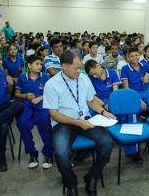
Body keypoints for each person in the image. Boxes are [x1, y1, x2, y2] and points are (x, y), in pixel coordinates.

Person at [43, 50, 114, 196]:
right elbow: (54, 115)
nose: (79, 71)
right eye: (76, 68)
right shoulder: (51, 84)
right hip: (63, 123)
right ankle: (70, 183)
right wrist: (77, 122)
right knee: (61, 153)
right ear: (64, 66)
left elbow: (91, 101)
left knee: (107, 142)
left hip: (85, 120)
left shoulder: (83, 79)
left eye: (80, 67)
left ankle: (92, 176)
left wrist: (104, 113)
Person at [15, 54, 53, 169]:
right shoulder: (22, 77)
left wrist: (40, 98)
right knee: (22, 123)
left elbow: (51, 93)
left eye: (41, 64)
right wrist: (25, 95)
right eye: (37, 64)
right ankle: (32, 153)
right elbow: (16, 94)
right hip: (27, 104)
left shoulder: (45, 76)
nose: (40, 66)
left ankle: (48, 154)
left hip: (42, 104)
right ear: (29, 65)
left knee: (44, 122)